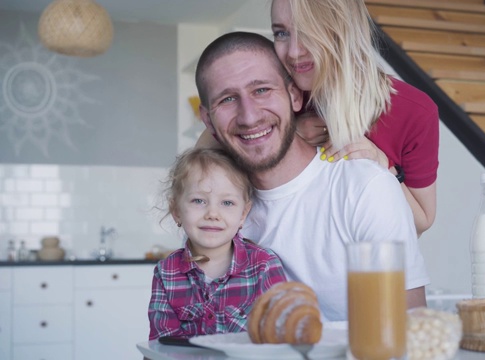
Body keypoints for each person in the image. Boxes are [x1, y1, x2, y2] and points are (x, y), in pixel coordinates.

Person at [195, 31, 428, 321]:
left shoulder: (365, 188)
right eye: (228, 99)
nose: (249, 116)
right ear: (208, 120)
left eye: (262, 90)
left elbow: (410, 330)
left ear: (294, 95)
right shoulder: (214, 211)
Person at [198, 0, 439, 235]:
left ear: (343, 30)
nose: (293, 52)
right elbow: (199, 162)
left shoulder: (412, 110)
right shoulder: (273, 92)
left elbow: (422, 221)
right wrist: (288, 135)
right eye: (281, 33)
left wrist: (382, 162)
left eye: (308, 32)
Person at [148, 147, 287, 340]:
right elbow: (161, 347)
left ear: (243, 214)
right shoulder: (166, 273)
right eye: (198, 200)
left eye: (227, 203)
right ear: (176, 210)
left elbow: (281, 340)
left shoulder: (264, 266)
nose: (212, 214)